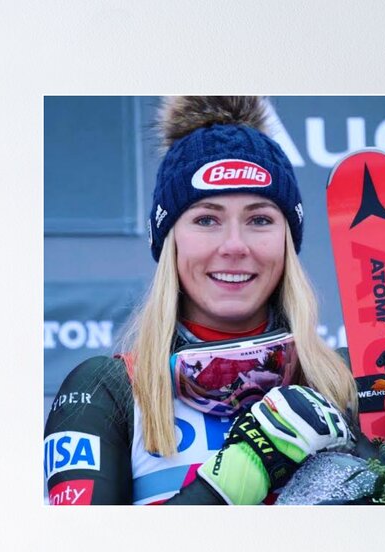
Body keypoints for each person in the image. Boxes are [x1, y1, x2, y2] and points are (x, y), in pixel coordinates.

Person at [44, 96, 359, 505]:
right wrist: (242, 472)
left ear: (287, 240)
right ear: (170, 241)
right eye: (206, 220)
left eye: (259, 219)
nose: (234, 245)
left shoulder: (352, 383)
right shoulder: (107, 390)